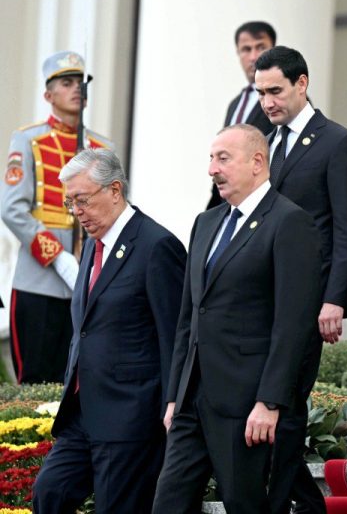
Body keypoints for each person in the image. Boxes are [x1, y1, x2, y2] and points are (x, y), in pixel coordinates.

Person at [152, 125, 323, 514]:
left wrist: (270, 401)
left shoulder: (289, 221)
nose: (212, 169)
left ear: (257, 162)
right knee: (168, 504)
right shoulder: (206, 223)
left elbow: (293, 324)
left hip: (245, 404)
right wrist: (175, 395)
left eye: (223, 158)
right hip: (192, 401)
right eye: (211, 159)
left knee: (245, 504)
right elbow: (188, 318)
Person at [32, 149, 186, 513]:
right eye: (71, 203)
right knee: (49, 492)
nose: (77, 211)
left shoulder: (156, 246)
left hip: (130, 417)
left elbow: (175, 335)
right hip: (82, 412)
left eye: (82, 200)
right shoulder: (93, 243)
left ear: (114, 190)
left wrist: (174, 405)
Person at [253, 45, 347, 514]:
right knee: (264, 402)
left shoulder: (337, 143)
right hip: (259, 299)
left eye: (275, 91)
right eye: (260, 93)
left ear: (302, 83)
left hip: (307, 301)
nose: (267, 102)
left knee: (285, 404)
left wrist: (335, 299)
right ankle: (305, 501)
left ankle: (282, 503)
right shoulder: (263, 142)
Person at [1, 51, 111, 384]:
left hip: (88, 278)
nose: (77, 88)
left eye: (81, 82)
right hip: (39, 278)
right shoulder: (28, 139)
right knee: (35, 383)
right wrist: (57, 256)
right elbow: (11, 207)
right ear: (48, 95)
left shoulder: (102, 149)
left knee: (79, 381)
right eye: (67, 82)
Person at [207, 21, 276, 208]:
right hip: (227, 205)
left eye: (260, 47)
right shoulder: (235, 104)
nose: (253, 57)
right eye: (246, 49)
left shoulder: (285, 99)